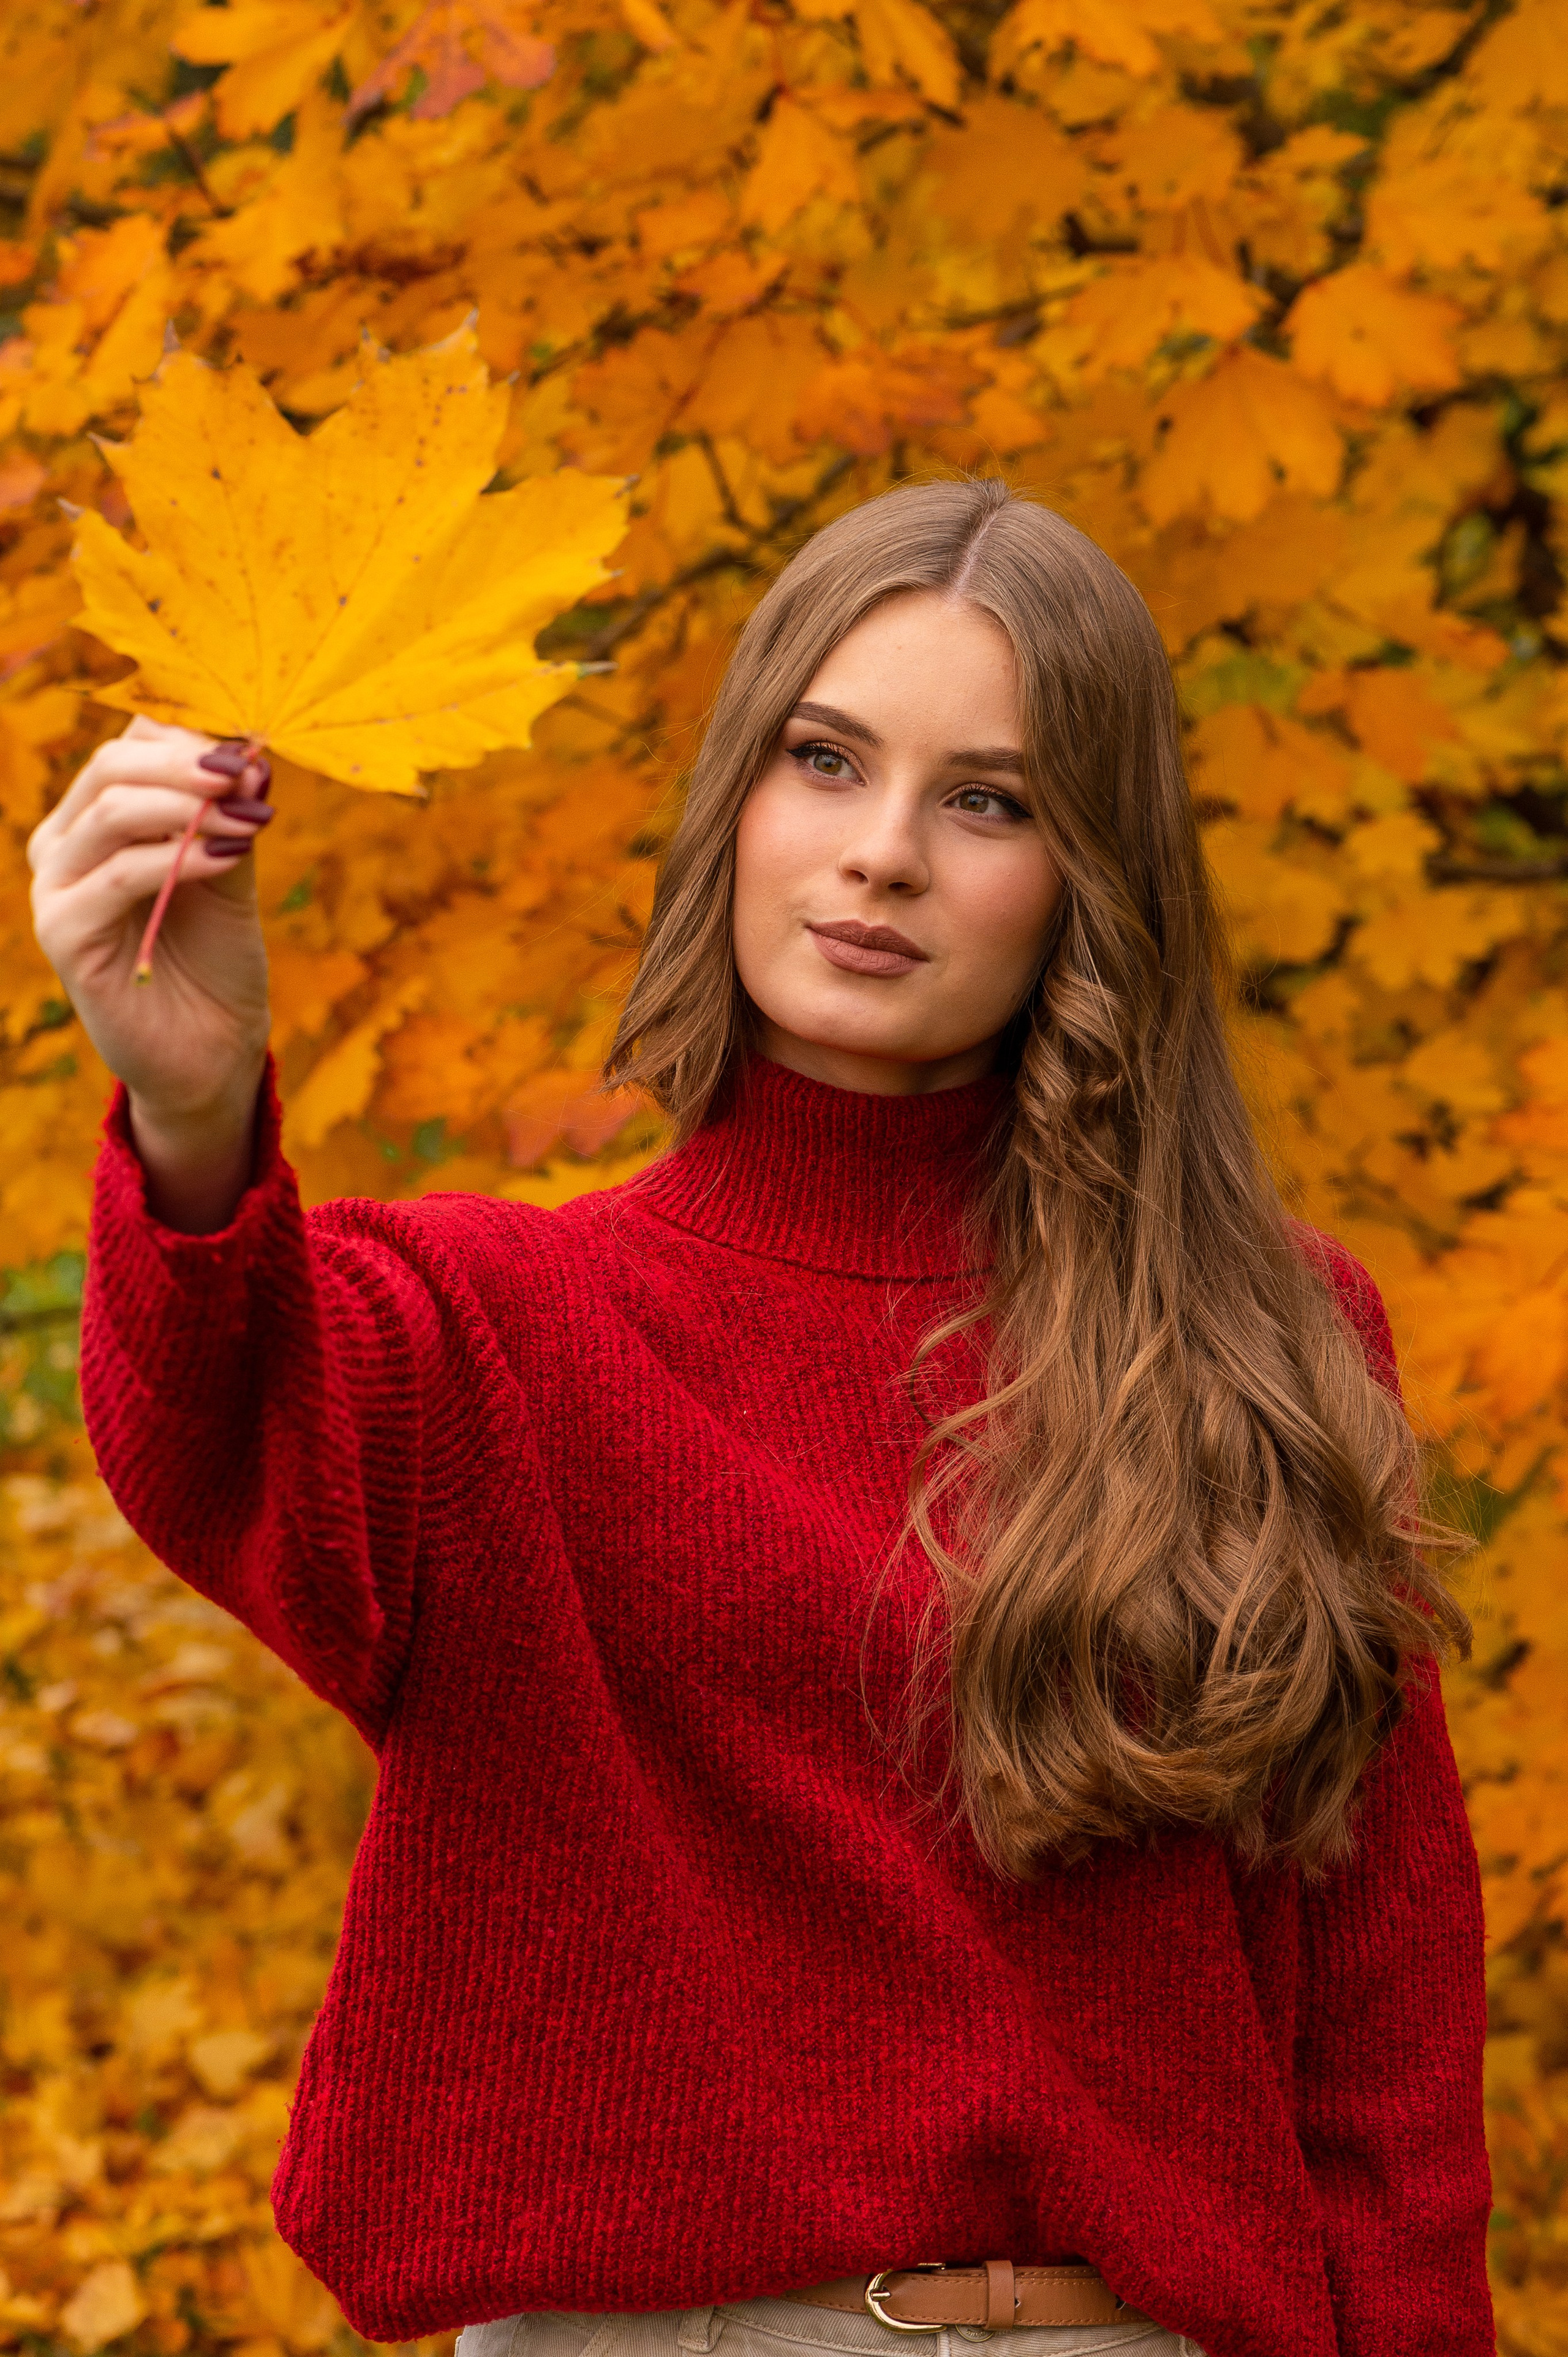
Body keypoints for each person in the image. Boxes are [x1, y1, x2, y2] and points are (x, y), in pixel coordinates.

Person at [30, 479, 1491, 2357]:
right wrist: (196, 1112)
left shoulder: (1263, 1334)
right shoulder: (495, 1328)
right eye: (826, 759)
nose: (880, 853)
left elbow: (1381, 2032)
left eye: (988, 800)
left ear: (1090, 873)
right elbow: (225, 1434)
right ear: (736, 798)